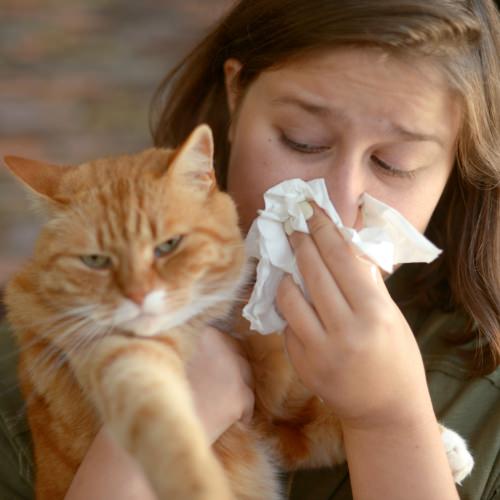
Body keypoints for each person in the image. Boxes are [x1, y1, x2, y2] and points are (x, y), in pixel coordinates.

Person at [0, 0, 498, 498]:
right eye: (301, 141)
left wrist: (388, 422)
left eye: (394, 163)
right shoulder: (31, 371)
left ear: (458, 161)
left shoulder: (484, 388)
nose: (337, 205)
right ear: (236, 96)